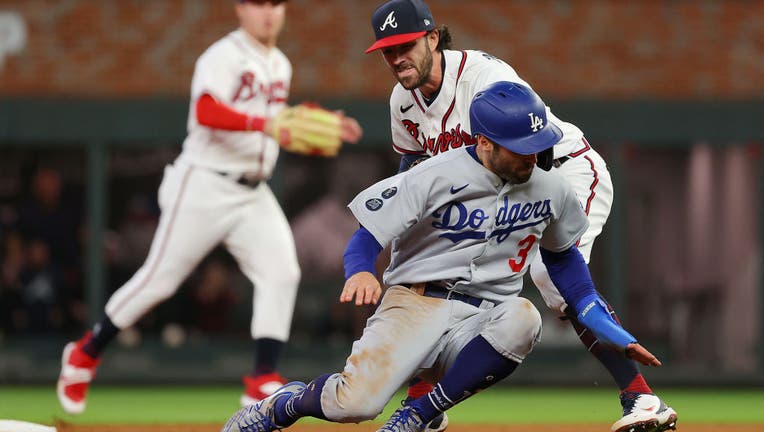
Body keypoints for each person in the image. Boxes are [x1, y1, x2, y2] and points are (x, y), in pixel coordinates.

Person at [218, 81, 667, 432]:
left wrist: (606, 326)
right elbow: (366, 236)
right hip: (414, 305)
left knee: (524, 318)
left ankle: (418, 413)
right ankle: (288, 403)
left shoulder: (551, 188)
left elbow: (565, 262)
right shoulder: (433, 174)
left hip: (482, 317)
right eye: (520, 147)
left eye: (537, 145)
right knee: (353, 406)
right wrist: (359, 271)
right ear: (486, 142)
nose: (533, 156)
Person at [364, 1, 677, 431]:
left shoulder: (485, 78)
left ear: (433, 38)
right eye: (388, 50)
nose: (398, 57)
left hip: (560, 171)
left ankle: (641, 398)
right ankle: (423, 404)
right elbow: (414, 167)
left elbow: (536, 151)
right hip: (499, 188)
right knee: (427, 263)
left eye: (407, 45)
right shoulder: (403, 101)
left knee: (551, 276)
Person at [56, 0, 363, 415]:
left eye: (275, 4)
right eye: (258, 4)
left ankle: (260, 380)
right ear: (240, 9)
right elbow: (206, 110)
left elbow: (275, 118)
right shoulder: (222, 55)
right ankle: (85, 352)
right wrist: (266, 125)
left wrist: (317, 119)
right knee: (159, 281)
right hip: (204, 183)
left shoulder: (281, 64)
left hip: (252, 192)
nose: (268, 12)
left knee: (282, 272)